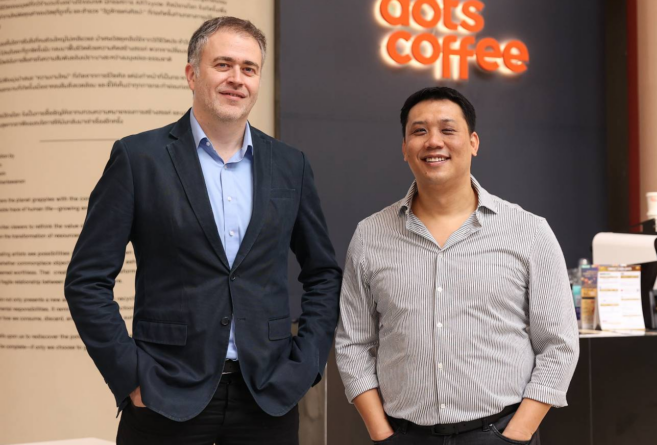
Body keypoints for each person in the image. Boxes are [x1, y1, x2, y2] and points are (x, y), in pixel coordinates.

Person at [64, 17, 341, 445]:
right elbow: (86, 281)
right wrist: (131, 376)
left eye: (249, 69)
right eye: (223, 65)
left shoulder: (291, 165)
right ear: (192, 74)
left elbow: (323, 273)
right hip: (164, 395)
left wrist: (305, 366)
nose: (237, 79)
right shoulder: (138, 159)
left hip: (267, 398)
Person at [335, 87, 579, 444]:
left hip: (500, 433)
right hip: (405, 435)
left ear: (473, 142)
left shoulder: (529, 231)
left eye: (448, 130)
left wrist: (517, 434)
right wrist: (381, 434)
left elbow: (559, 344)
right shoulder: (371, 235)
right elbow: (353, 343)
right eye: (419, 131)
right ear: (404, 148)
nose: (433, 141)